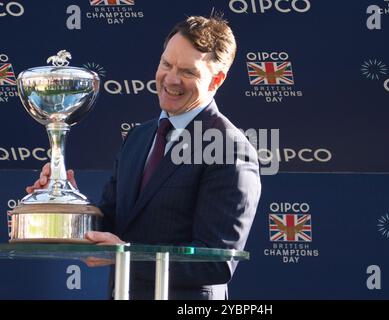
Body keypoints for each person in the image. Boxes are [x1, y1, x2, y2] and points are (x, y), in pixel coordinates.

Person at [26, 15, 261, 300]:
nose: (171, 79)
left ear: (217, 80)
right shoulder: (138, 137)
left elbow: (216, 262)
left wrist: (124, 254)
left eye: (188, 72)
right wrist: (65, 201)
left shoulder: (230, 147)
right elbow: (112, 225)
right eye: (166, 64)